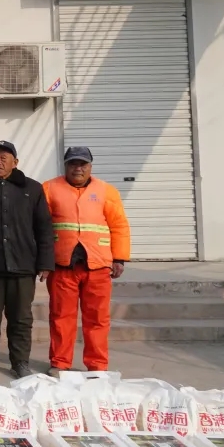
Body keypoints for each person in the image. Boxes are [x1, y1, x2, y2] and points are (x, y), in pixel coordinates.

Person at [0, 141, 54, 380]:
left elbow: (44, 228)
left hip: (23, 265)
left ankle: (20, 362)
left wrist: (45, 262)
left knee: (21, 319)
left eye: (3, 158)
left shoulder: (32, 189)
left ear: (15, 162)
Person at [43, 147, 130, 376]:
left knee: (98, 319)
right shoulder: (49, 189)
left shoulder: (107, 191)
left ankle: (97, 366)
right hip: (62, 265)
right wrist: (42, 260)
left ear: (90, 166)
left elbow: (119, 225)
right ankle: (60, 363)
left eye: (83, 164)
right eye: (73, 164)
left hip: (98, 265)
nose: (78, 168)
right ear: (65, 166)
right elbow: (40, 226)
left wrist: (119, 258)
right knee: (61, 317)